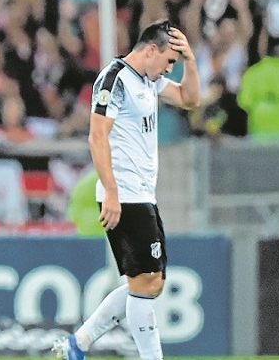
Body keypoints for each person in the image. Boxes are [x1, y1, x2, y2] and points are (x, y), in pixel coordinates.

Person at [53, 20, 200, 360]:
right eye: (168, 62)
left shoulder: (149, 81)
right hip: (126, 193)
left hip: (143, 194)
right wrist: (112, 191)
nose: (169, 70)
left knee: (149, 282)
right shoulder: (115, 79)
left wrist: (190, 61)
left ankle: (78, 344)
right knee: (147, 281)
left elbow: (190, 99)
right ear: (150, 50)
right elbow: (97, 135)